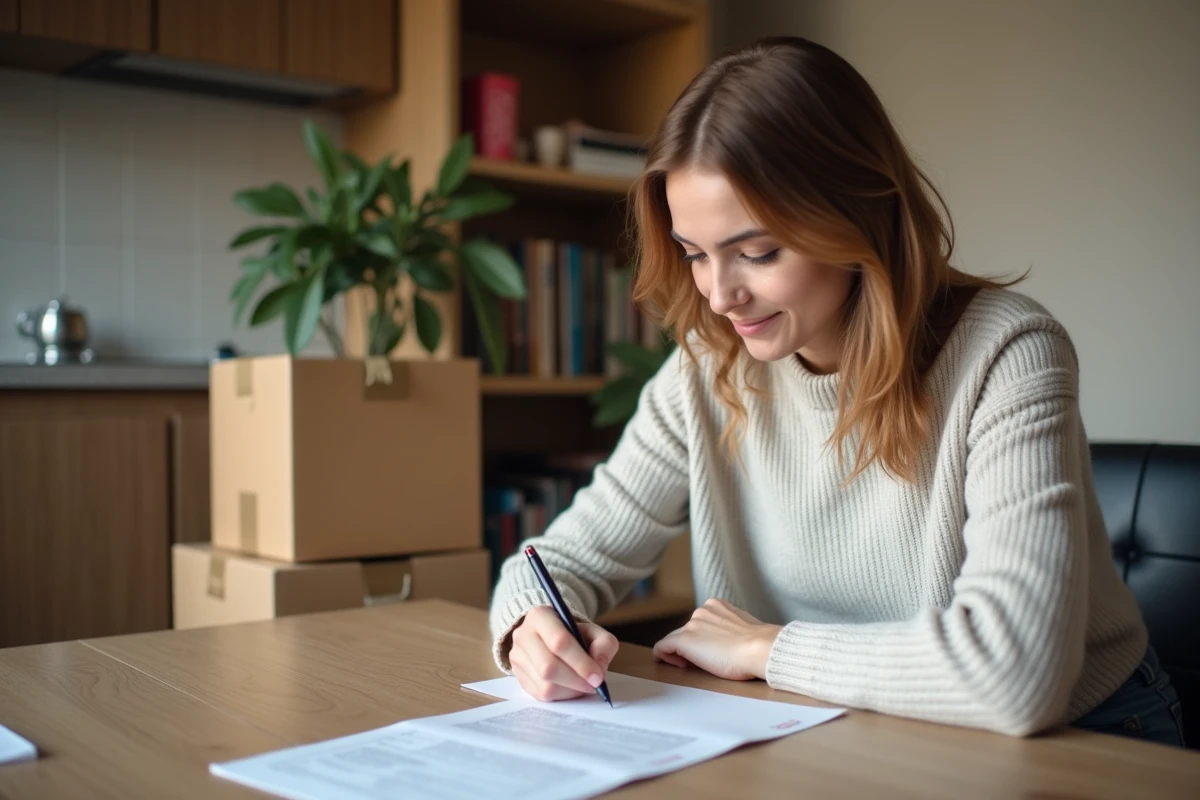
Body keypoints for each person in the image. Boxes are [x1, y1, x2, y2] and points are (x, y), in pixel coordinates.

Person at [487, 36, 1185, 746]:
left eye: (757, 252)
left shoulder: (1009, 354)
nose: (720, 296)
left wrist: (763, 647)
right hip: (842, 725)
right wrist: (531, 629)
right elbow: (556, 563)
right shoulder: (708, 367)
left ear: (856, 216)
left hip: (1087, 736)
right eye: (695, 254)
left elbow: (1016, 673)